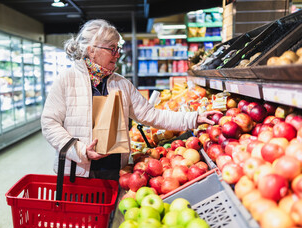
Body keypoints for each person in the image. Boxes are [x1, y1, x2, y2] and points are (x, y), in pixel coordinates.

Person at [41, 19, 219, 181]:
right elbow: (49, 123)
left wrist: (193, 118)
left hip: (113, 171)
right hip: (76, 172)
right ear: (92, 50)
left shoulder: (120, 84)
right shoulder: (66, 80)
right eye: (112, 48)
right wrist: (80, 151)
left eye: (117, 48)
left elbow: (151, 115)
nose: (117, 54)